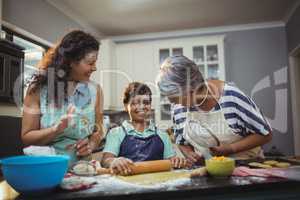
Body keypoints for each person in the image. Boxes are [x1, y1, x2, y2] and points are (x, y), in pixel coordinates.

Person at [156, 55, 272, 164]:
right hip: (207, 171)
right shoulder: (178, 107)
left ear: (190, 90)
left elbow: (265, 133)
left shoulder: (231, 97)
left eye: (174, 97)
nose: (172, 102)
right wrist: (190, 154)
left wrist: (231, 148)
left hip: (247, 168)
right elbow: (181, 142)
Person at [21, 30, 104, 164]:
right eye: (90, 63)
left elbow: (98, 130)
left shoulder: (96, 90)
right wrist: (56, 129)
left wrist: (91, 144)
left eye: (95, 62)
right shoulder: (37, 90)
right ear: (70, 61)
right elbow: (26, 138)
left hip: (82, 169)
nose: (94, 68)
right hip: (46, 168)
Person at [101, 82, 187, 175]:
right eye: (135, 103)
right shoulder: (116, 133)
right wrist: (113, 161)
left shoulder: (162, 135)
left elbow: (171, 162)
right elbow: (105, 161)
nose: (141, 107)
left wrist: (177, 161)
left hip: (158, 185)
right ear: (126, 106)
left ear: (150, 106)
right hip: (127, 186)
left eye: (146, 103)